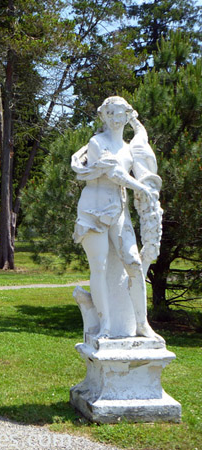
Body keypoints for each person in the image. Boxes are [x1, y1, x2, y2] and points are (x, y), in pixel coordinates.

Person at [71, 96, 161, 340]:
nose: (113, 117)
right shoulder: (97, 142)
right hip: (93, 210)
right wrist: (141, 189)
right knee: (98, 266)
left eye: (118, 112)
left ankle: (142, 324)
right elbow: (115, 173)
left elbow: (143, 155)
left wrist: (137, 124)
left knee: (133, 262)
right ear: (102, 116)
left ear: (127, 115)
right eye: (108, 113)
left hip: (118, 210)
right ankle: (106, 326)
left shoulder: (129, 148)